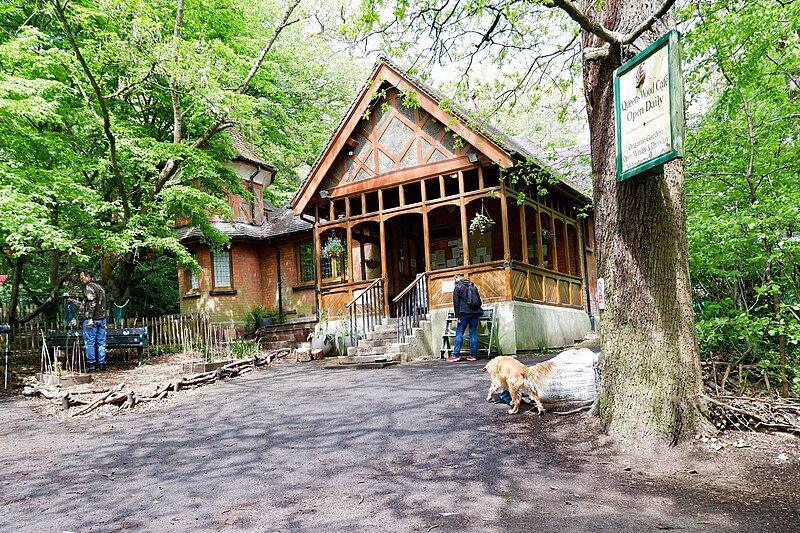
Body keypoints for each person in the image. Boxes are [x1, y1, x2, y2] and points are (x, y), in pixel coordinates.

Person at [449, 273, 482, 362]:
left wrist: (457, 316)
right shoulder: (473, 286)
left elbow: (456, 303)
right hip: (475, 312)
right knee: (473, 332)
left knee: (459, 332)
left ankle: (455, 355)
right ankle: (473, 355)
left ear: (456, 280)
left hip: (464, 313)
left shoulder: (458, 287)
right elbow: (479, 301)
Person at [80, 269, 108, 372]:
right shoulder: (100, 287)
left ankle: (91, 365)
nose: (81, 280)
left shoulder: (89, 287)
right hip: (102, 318)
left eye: (82, 278)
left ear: (88, 277)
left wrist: (90, 317)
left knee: (90, 342)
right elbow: (103, 303)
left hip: (93, 319)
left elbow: (92, 302)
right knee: (101, 342)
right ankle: (102, 364)